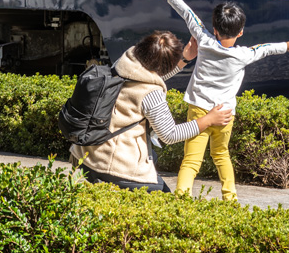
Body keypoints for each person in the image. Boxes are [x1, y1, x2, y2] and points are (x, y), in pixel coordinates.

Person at [152, 0, 289, 201]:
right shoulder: (243, 55)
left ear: (214, 29)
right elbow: (265, 49)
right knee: (222, 154)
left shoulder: (204, 40)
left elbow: (189, 15)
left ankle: (181, 200)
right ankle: (230, 199)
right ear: (240, 32)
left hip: (199, 111)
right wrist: (286, 46)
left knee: (191, 161)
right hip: (225, 115)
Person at [69, 30, 233, 192]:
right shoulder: (151, 94)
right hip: (113, 165)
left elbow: (149, 76)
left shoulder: (123, 64)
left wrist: (183, 59)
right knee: (167, 204)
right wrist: (209, 119)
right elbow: (170, 134)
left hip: (84, 154)